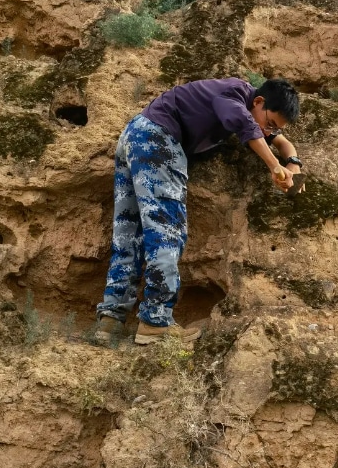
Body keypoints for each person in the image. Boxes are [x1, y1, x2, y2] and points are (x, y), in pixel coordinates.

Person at [95, 77, 302, 345]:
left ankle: (111, 319)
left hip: (135, 135)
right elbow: (246, 126)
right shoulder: (234, 93)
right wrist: (275, 167)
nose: (268, 131)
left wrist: (294, 167)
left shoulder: (253, 110)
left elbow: (283, 143)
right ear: (259, 102)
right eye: (270, 123)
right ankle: (155, 321)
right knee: (167, 231)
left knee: (129, 231)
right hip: (158, 140)